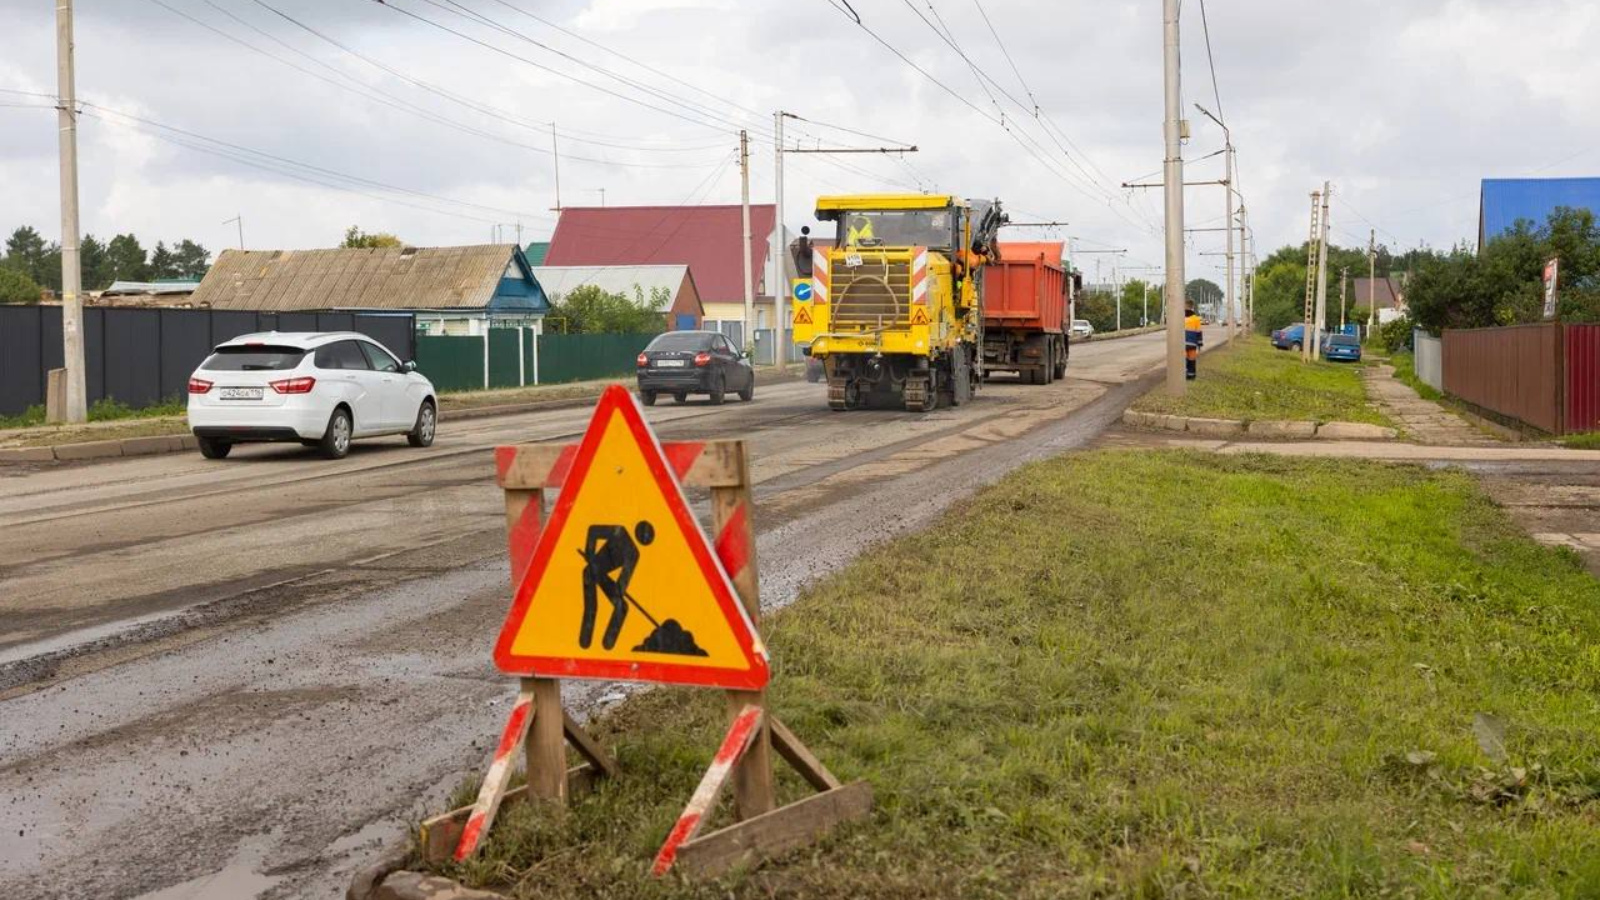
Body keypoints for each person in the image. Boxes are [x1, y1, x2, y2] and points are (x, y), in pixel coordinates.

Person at [579, 521, 654, 651]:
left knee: (621, 606)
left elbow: (623, 581)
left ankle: (608, 643)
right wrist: (590, 553)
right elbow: (593, 531)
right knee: (591, 599)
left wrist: (618, 591)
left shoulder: (633, 554)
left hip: (600, 572)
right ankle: (585, 639)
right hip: (592, 569)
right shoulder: (619, 532)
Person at [1184, 306, 1204, 380]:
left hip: (1183, 343)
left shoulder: (1180, 317)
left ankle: (1184, 375)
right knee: (1191, 360)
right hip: (1192, 343)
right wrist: (1200, 344)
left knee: (1184, 360)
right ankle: (1191, 376)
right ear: (1192, 308)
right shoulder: (1196, 319)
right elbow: (1199, 332)